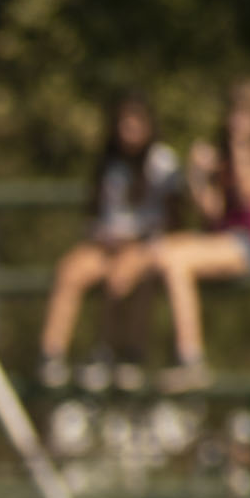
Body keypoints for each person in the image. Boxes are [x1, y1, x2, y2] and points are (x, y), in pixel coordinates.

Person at [148, 77, 250, 393]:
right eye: (235, 113)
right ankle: (128, 357)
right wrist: (197, 173)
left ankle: (191, 361)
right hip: (222, 239)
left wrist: (241, 148)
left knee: (175, 260)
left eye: (246, 114)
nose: (238, 121)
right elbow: (212, 211)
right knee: (158, 250)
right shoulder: (222, 151)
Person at [36, 91, 183, 393]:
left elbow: (173, 219)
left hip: (145, 245)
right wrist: (102, 236)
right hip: (105, 244)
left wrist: (136, 241)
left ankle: (115, 354)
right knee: (70, 270)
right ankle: (51, 356)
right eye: (124, 124)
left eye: (136, 123)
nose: (129, 131)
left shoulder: (163, 163)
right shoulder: (109, 162)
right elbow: (95, 213)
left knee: (121, 277)